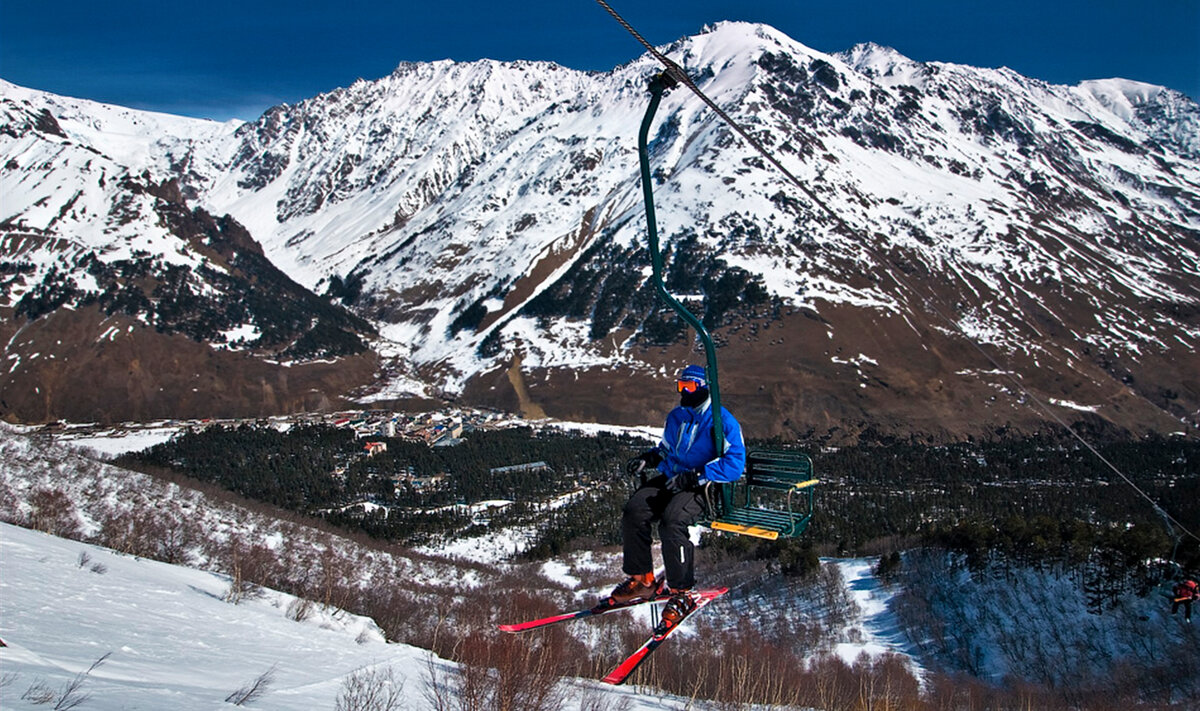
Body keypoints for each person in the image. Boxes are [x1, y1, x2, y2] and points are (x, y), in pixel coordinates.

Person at [610, 364, 746, 629]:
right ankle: (643, 580)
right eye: (680, 386)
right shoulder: (677, 417)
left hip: (701, 485)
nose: (684, 392)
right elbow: (667, 449)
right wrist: (649, 458)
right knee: (634, 511)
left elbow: (735, 464)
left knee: (672, 522)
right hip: (671, 476)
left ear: (704, 387)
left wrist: (697, 476)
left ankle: (681, 591)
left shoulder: (721, 421)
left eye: (690, 387)